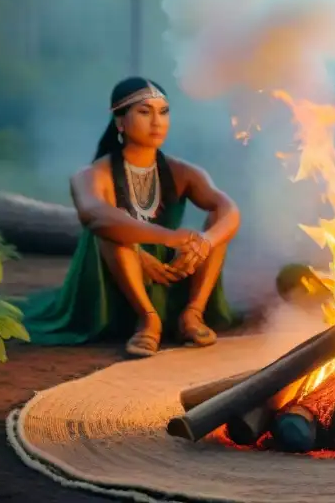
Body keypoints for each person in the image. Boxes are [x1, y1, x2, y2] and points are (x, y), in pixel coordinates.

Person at [21, 77, 241, 357]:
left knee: (217, 228)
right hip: (112, 279)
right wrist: (162, 240)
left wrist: (205, 242)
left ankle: (192, 315)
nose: (157, 122)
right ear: (120, 122)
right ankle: (148, 319)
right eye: (144, 112)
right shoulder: (90, 175)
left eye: (163, 112)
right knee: (112, 230)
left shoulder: (184, 172)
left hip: (170, 270)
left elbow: (229, 209)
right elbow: (95, 216)